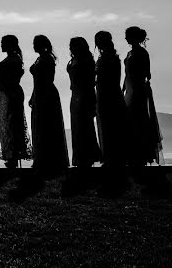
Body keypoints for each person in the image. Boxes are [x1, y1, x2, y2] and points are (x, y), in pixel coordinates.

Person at [29, 35, 69, 173]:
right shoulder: (40, 58)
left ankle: (51, 160)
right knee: (39, 126)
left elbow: (48, 79)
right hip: (39, 94)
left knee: (48, 125)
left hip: (47, 94)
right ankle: (41, 158)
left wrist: (39, 93)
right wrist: (33, 95)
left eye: (35, 43)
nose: (33, 46)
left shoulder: (48, 58)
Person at [123, 26, 163, 165]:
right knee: (130, 121)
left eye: (127, 35)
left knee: (138, 119)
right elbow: (126, 73)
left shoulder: (142, 53)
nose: (125, 38)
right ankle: (133, 153)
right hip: (129, 89)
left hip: (138, 90)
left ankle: (141, 154)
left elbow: (147, 73)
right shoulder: (129, 53)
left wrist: (137, 83)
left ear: (133, 37)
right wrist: (124, 87)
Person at [95, 30, 129, 168]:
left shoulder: (110, 58)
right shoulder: (110, 57)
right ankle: (110, 156)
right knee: (107, 126)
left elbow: (109, 79)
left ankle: (113, 158)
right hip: (105, 94)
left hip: (109, 95)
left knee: (111, 127)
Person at [0, 35, 30, 169]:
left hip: (11, 95)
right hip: (5, 95)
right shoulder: (11, 59)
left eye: (3, 42)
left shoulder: (15, 60)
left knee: (12, 124)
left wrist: (5, 91)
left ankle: (13, 155)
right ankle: (10, 154)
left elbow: (13, 79)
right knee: (6, 124)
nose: (1, 45)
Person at [67, 37, 101, 168]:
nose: (70, 48)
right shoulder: (75, 60)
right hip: (74, 95)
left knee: (84, 126)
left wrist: (91, 102)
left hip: (84, 95)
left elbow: (91, 82)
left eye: (72, 46)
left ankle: (87, 158)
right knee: (76, 126)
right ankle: (80, 158)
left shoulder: (87, 61)